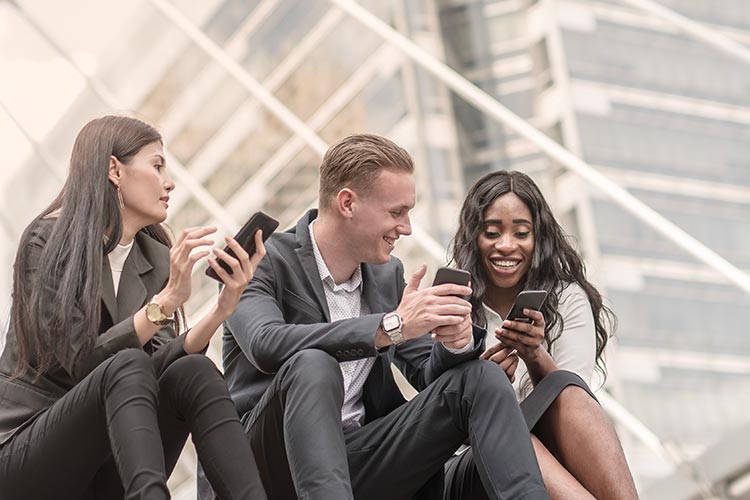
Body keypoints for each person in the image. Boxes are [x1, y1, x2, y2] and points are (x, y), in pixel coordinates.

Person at [217, 134, 551, 500]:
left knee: (480, 378)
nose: (406, 227)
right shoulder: (260, 259)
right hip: (268, 467)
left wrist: (452, 344)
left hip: (356, 458)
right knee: (313, 364)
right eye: (396, 212)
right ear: (347, 203)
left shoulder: (386, 274)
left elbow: (426, 373)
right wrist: (391, 327)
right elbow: (266, 344)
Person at [0, 115, 267, 500]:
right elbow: (80, 363)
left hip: (105, 460)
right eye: (157, 165)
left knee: (195, 371)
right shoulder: (47, 240)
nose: (169, 181)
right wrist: (166, 301)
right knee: (126, 364)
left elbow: (159, 367)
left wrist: (221, 310)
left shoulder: (154, 259)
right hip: (27, 452)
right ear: (114, 169)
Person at [445, 170, 639, 499]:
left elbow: (572, 401)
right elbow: (435, 423)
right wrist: (488, 388)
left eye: (521, 233)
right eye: (492, 233)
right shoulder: (452, 305)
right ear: (473, 238)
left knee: (562, 393)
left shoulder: (566, 298)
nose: (506, 246)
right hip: (474, 466)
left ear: (538, 239)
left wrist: (535, 356)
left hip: (553, 455)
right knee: (511, 431)